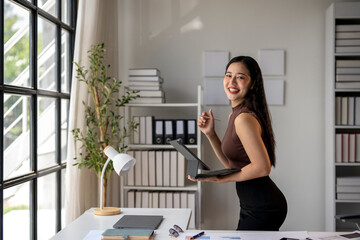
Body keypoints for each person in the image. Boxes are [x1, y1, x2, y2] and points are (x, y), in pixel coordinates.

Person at [189, 56, 287, 231]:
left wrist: (221, 179)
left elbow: (262, 168)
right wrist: (210, 134)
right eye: (228, 75)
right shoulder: (235, 115)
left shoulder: (243, 118)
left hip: (263, 206)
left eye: (240, 77)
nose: (232, 82)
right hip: (252, 204)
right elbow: (231, 164)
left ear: (252, 84)